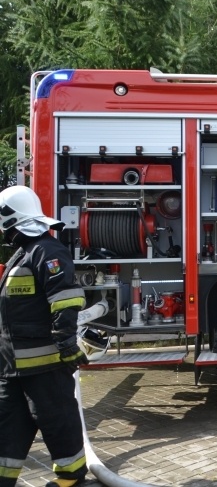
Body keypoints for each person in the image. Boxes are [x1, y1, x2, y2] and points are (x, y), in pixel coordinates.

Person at [0, 186, 88, 487]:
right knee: (7, 426)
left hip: (44, 365)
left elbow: (65, 298)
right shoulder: (22, 254)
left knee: (57, 422)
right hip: (12, 367)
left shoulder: (47, 250)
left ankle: (71, 478)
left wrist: (66, 343)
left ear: (10, 217)